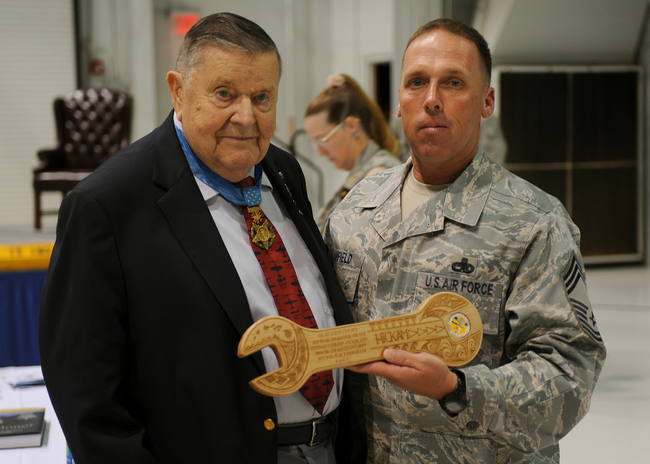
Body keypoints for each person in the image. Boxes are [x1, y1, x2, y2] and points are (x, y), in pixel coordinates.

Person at [39, 13, 366, 464]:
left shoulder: (284, 172)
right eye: (224, 94)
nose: (246, 117)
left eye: (262, 97)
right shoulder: (108, 205)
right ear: (178, 89)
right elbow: (86, 393)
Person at [324, 18, 606, 464]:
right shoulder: (354, 210)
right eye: (417, 82)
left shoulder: (533, 223)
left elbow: (569, 378)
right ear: (398, 102)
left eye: (453, 82)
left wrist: (459, 389)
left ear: (487, 101)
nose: (431, 100)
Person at [303, 74, 402, 232]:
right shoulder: (363, 173)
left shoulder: (379, 177)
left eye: (322, 140)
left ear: (351, 126)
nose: (320, 152)